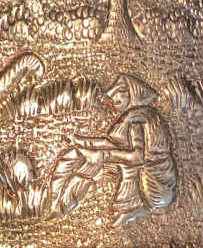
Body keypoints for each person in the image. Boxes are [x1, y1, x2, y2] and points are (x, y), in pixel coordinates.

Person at [73, 74, 178, 227]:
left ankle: (133, 209)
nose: (112, 100)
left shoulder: (138, 118)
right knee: (119, 162)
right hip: (158, 176)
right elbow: (112, 144)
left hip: (157, 182)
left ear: (131, 93)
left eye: (118, 93)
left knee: (126, 166)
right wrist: (84, 142)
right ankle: (128, 209)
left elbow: (137, 157)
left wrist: (104, 155)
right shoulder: (142, 114)